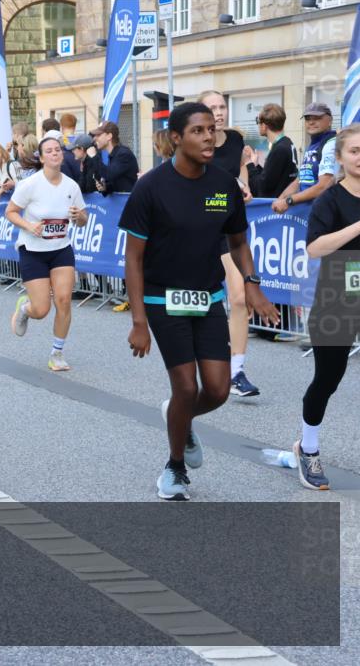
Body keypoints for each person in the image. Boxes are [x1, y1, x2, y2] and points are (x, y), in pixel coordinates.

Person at [120, 103, 279, 501]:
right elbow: (133, 258)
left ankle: (179, 416)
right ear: (176, 138)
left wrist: (253, 284)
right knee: (186, 387)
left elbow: (238, 241)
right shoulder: (151, 187)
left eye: (211, 129)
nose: (209, 137)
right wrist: (139, 321)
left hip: (208, 296)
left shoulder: (223, 184)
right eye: (198, 131)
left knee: (219, 389)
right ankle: (174, 468)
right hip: (162, 297)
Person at [293, 125, 360, 491]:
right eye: (354, 151)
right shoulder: (330, 200)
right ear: (340, 158)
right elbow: (315, 248)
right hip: (338, 292)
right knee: (328, 377)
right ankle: (309, 447)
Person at [197, 90, 262, 396]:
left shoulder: (236, 140)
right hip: (199, 229)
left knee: (238, 298)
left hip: (228, 231)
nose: (219, 112)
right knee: (202, 300)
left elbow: (241, 173)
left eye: (222, 106)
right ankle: (206, 357)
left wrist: (244, 187)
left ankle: (235, 372)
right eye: (213, 108)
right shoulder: (196, 143)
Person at [6, 135, 88, 371]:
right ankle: (25, 308)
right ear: (41, 158)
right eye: (49, 151)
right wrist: (29, 226)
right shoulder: (30, 185)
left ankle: (57, 353)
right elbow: (10, 212)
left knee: (63, 301)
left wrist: (79, 217)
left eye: (58, 150)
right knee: (41, 309)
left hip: (61, 249)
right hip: (33, 250)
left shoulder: (71, 186)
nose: (55, 153)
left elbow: (83, 219)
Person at [273, 102, 338, 214]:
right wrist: (280, 199)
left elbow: (324, 185)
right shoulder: (314, 144)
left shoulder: (331, 144)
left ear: (330, 121)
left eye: (317, 118)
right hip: (309, 213)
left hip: (325, 213)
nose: (311, 122)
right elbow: (300, 180)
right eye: (308, 119)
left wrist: (288, 200)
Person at [246, 103, 298, 198]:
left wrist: (249, 164)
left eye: (258, 121)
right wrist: (256, 166)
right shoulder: (287, 143)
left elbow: (262, 187)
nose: (258, 125)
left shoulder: (279, 149)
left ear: (264, 126)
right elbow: (272, 176)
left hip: (274, 209)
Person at [89, 121, 138, 194]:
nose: (95, 138)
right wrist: (105, 187)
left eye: (98, 135)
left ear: (109, 136)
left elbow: (109, 174)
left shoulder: (123, 154)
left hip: (128, 203)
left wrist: (94, 156)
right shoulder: (114, 154)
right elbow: (118, 181)